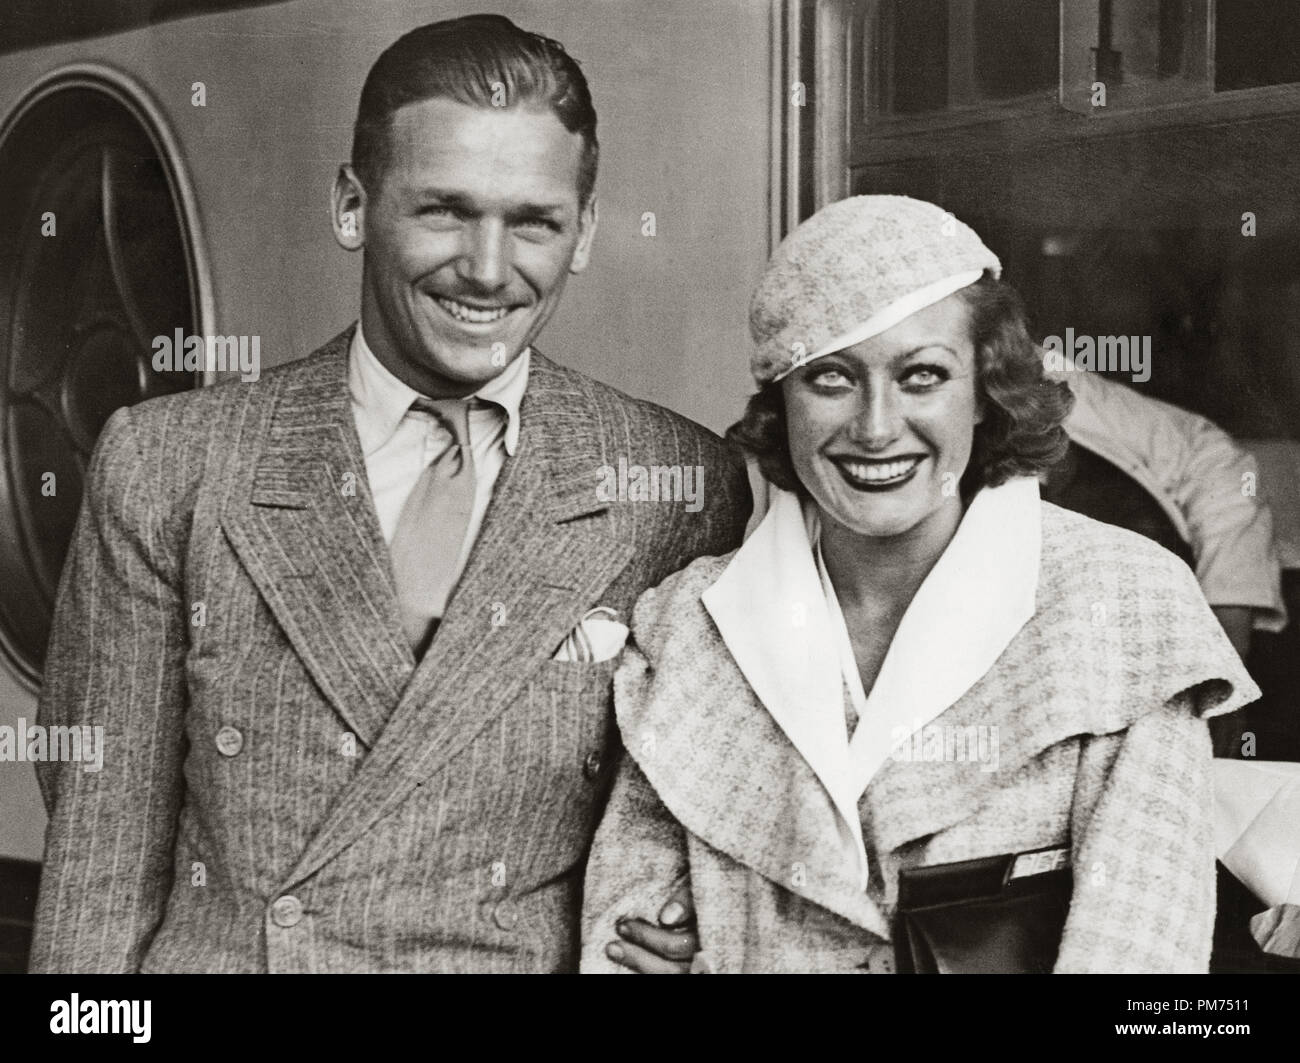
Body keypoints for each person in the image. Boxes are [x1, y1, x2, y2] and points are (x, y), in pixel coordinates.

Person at [30, 14, 748, 973]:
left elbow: (702, 818)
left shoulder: (677, 486)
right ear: (351, 207)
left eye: (534, 221)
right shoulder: (169, 465)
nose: (489, 271)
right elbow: (99, 864)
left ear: (584, 234)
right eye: (444, 210)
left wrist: (697, 926)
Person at [580, 195, 1259, 973]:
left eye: (923, 375)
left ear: (986, 393)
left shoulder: (1127, 607)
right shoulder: (684, 627)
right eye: (831, 377)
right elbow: (618, 940)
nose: (875, 427)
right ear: (781, 401)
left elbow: (1142, 957)